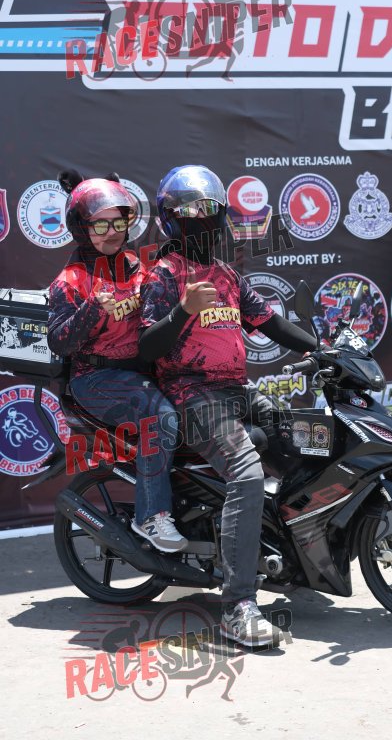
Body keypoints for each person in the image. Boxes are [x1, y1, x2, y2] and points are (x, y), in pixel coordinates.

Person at [138, 164, 317, 647]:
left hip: (237, 389)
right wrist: (184, 310)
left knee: (303, 439)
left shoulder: (227, 274)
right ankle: (238, 605)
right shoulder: (164, 276)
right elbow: (148, 348)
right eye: (192, 213)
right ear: (171, 220)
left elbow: (271, 323)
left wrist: (323, 350)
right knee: (247, 472)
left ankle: (288, 553)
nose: (203, 219)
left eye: (210, 211)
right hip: (191, 394)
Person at [47, 170, 186, 553]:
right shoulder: (70, 280)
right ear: (82, 228)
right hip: (96, 379)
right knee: (160, 418)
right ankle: (151, 516)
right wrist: (92, 309)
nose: (112, 232)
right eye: (101, 224)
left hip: (142, 374)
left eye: (119, 222)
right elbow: (59, 341)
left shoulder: (138, 267)